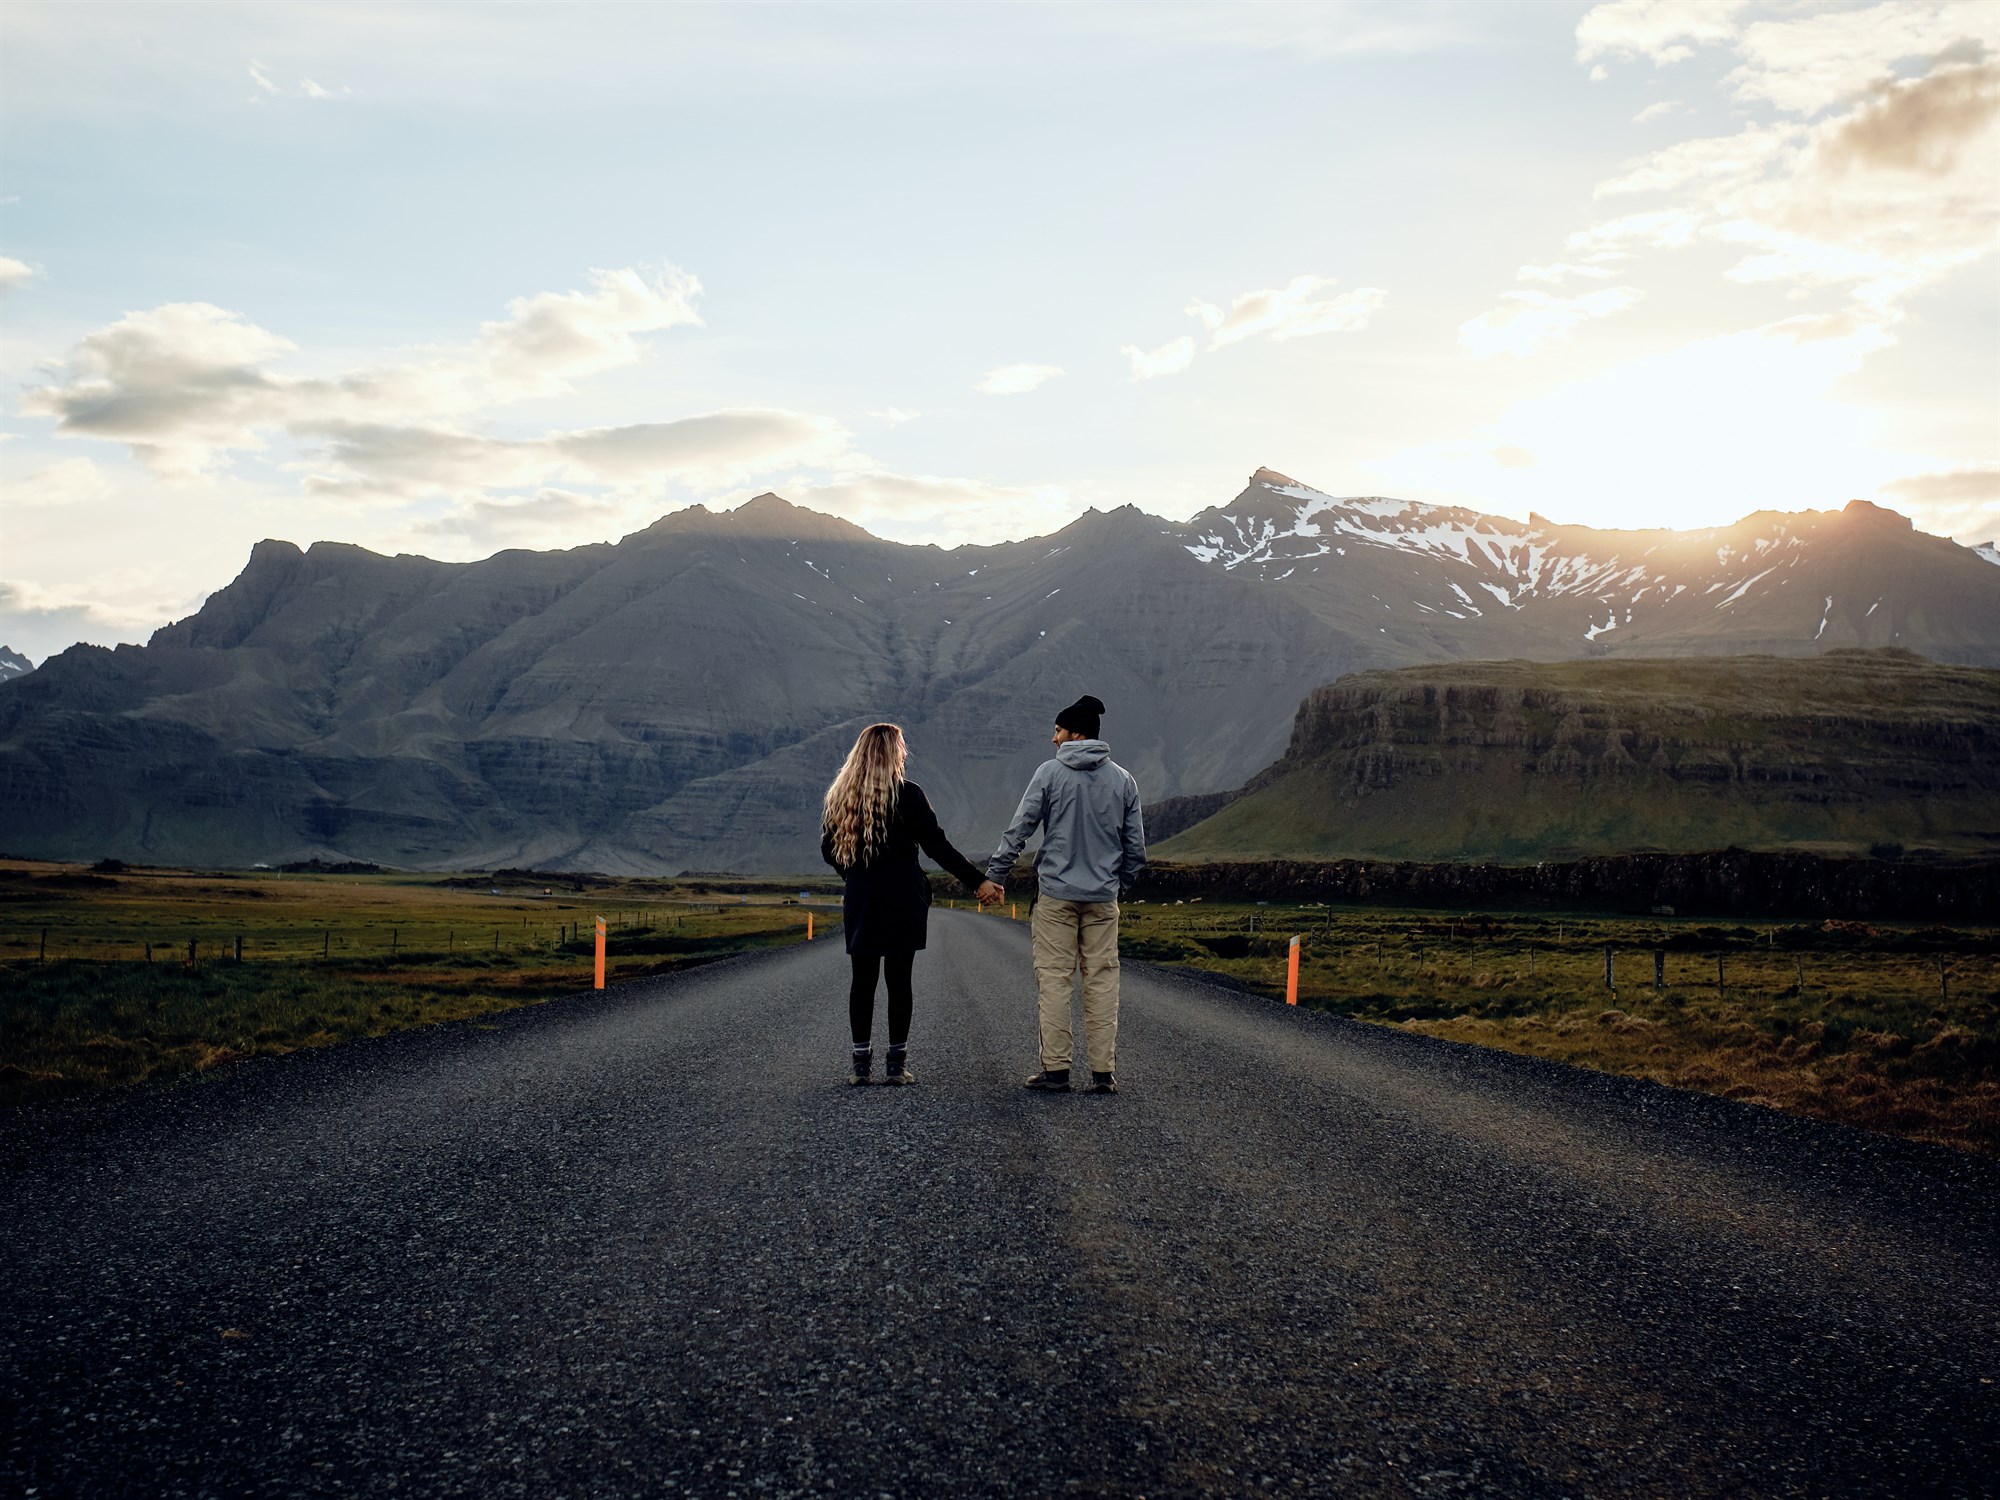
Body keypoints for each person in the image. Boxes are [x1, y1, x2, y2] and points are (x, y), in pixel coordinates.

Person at [821, 722, 1004, 1085]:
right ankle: (896, 1065)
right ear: (893, 752)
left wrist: (855, 876)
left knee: (863, 979)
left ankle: (860, 1067)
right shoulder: (909, 795)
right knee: (899, 979)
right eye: (901, 746)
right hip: (904, 895)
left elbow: (828, 850)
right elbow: (937, 847)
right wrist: (979, 881)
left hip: (862, 896)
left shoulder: (840, 796)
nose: (905, 752)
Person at [984, 694, 1145, 1094]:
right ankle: (1103, 1074)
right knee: (1103, 980)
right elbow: (1136, 850)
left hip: (1056, 897)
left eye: (1057, 731)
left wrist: (995, 875)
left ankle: (1056, 1071)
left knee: (1055, 981)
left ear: (1075, 733)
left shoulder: (1049, 774)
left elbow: (1019, 829)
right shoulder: (1124, 781)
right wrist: (1116, 886)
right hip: (1103, 899)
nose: (1052, 738)